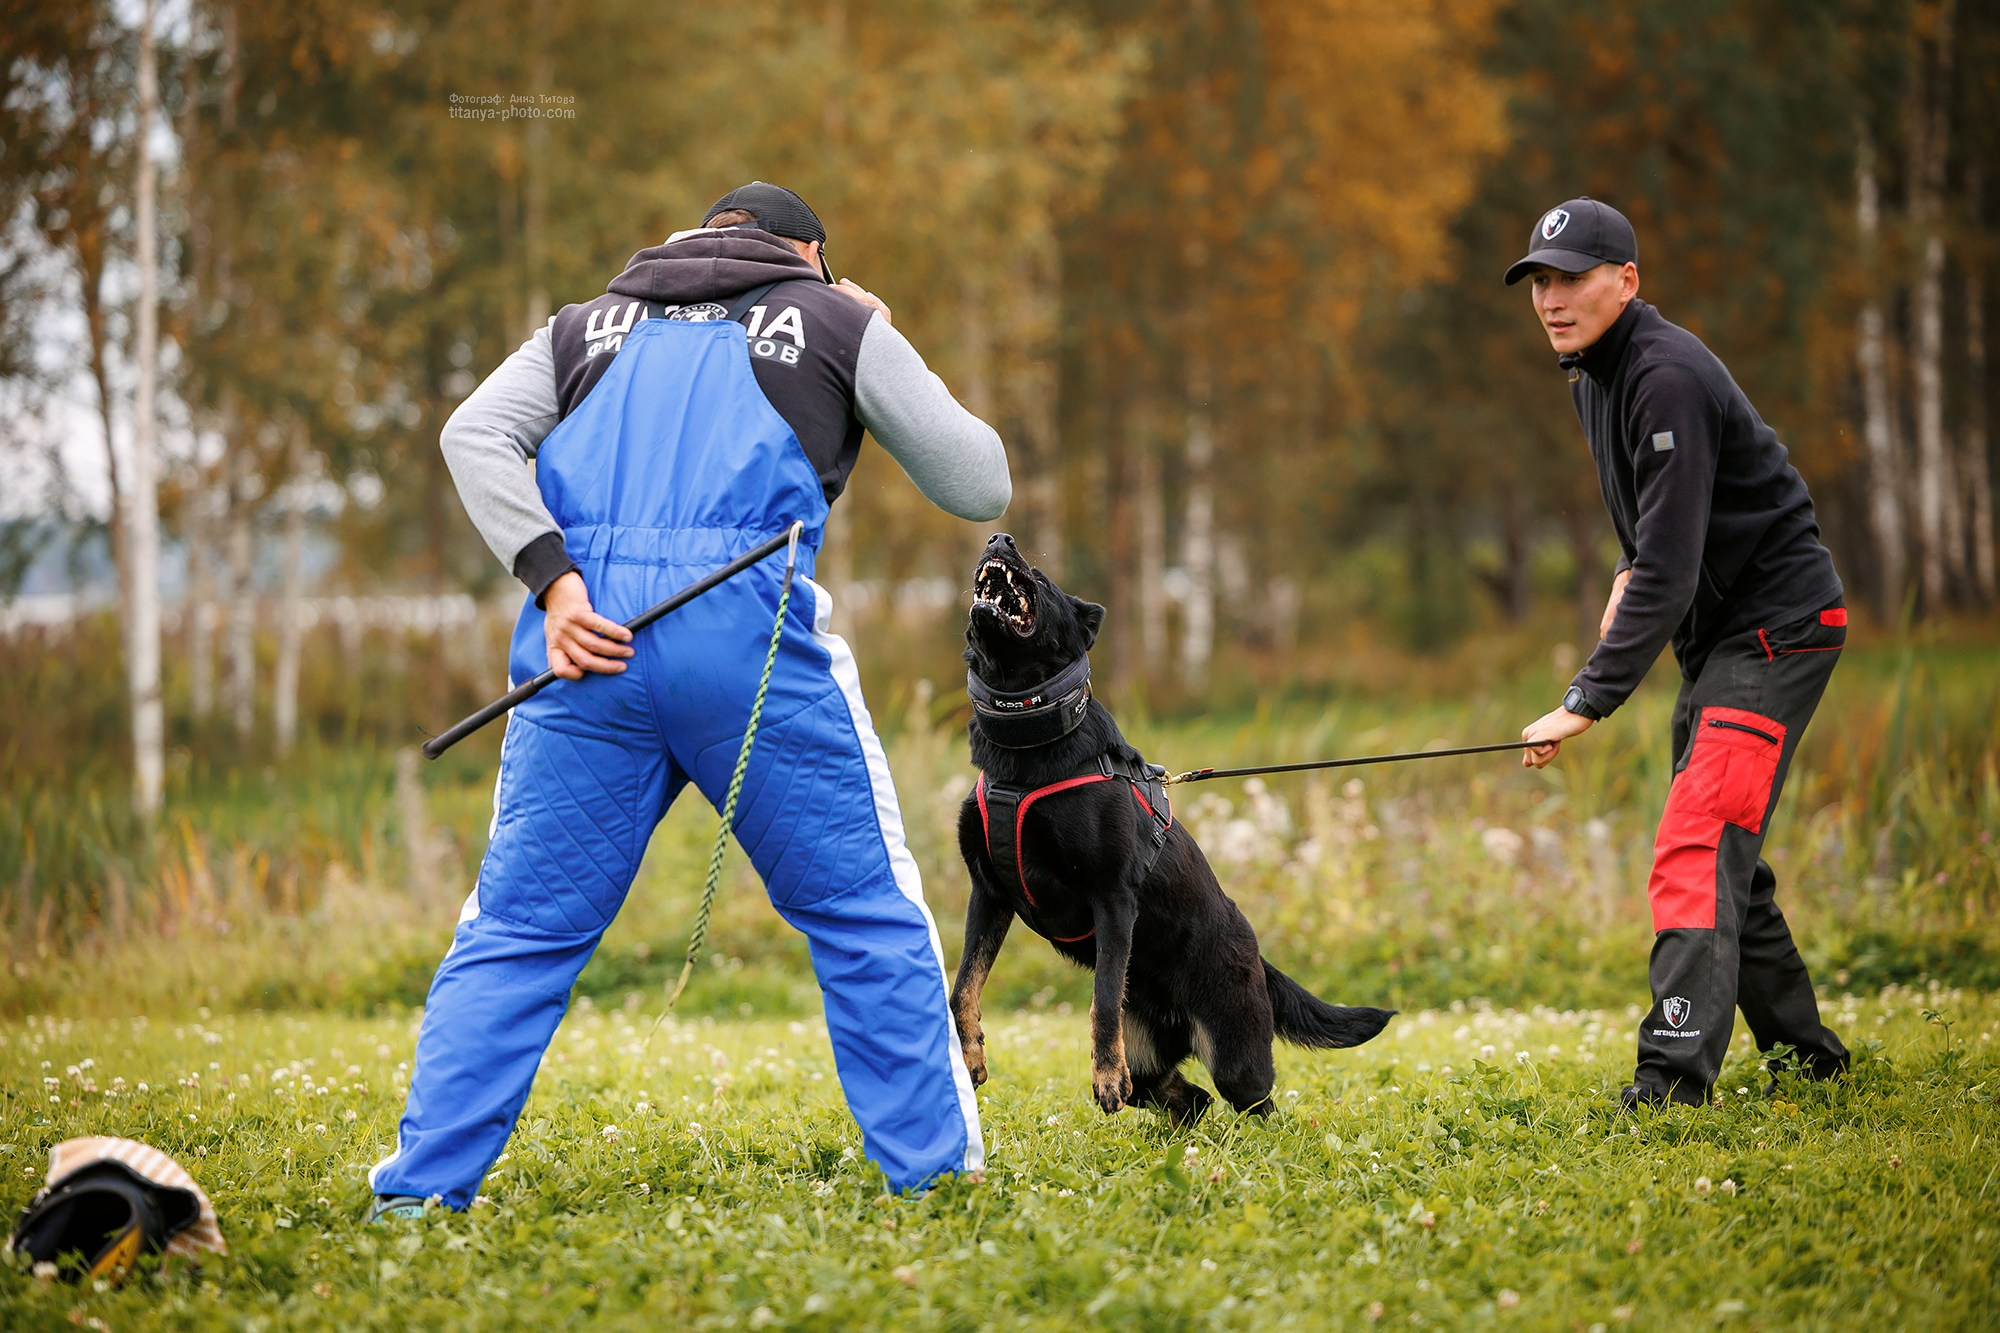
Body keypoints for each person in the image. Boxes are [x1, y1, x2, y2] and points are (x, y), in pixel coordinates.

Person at [368, 182, 1008, 1218]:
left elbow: (470, 435)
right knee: (859, 913)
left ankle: (417, 1198)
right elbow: (979, 483)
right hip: (747, 654)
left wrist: (554, 580)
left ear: (691, 240)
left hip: (582, 650)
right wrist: (884, 333)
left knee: (518, 929)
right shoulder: (834, 314)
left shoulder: (583, 326)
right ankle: (932, 1180)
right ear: (807, 252)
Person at [1508, 197, 1850, 1109]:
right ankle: (1809, 1060)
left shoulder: (1664, 375)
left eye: (1573, 277)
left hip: (1777, 633)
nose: (1551, 297)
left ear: (1627, 280)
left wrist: (1586, 699)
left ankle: (1668, 1084)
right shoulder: (1594, 375)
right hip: (1726, 641)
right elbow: (1655, 539)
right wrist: (1628, 587)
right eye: (1539, 280)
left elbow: (1668, 563)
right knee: (1727, 848)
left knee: (1697, 844)